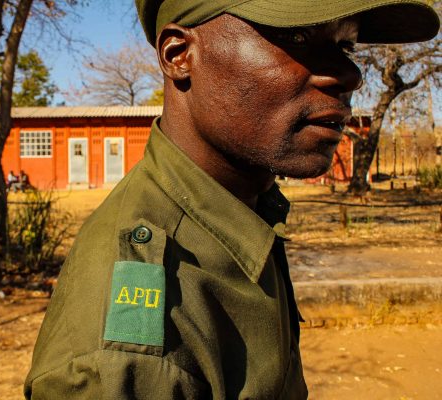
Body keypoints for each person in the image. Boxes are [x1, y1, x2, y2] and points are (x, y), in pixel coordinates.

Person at [25, 1, 439, 398]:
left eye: (345, 46)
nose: (350, 74)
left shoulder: (240, 209)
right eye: (296, 36)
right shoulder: (126, 354)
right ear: (179, 55)